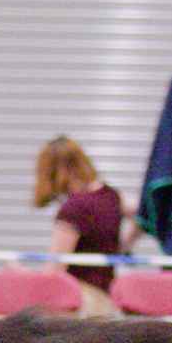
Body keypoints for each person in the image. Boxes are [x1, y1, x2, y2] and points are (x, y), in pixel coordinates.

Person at [31, 135, 132, 317]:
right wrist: (126, 244)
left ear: (53, 172)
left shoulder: (74, 208)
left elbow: (53, 271)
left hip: (79, 303)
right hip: (106, 302)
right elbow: (142, 215)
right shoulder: (112, 196)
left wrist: (22, 275)